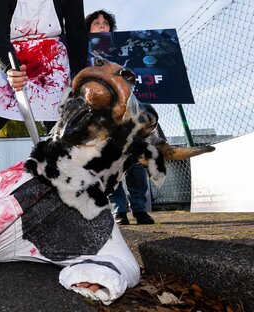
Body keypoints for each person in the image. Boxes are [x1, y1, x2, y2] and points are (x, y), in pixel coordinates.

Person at [0, 0, 88, 182]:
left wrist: (77, 77)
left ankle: (68, 197)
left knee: (62, 134)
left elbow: (76, 32)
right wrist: (10, 67)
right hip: (14, 57)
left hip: (52, 62)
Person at [86, 9, 155, 225]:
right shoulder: (81, 53)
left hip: (129, 113)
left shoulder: (124, 52)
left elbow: (145, 71)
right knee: (111, 160)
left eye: (105, 23)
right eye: (96, 22)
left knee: (134, 158)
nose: (102, 25)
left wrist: (176, 70)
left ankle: (140, 208)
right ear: (88, 29)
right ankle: (118, 210)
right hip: (101, 116)